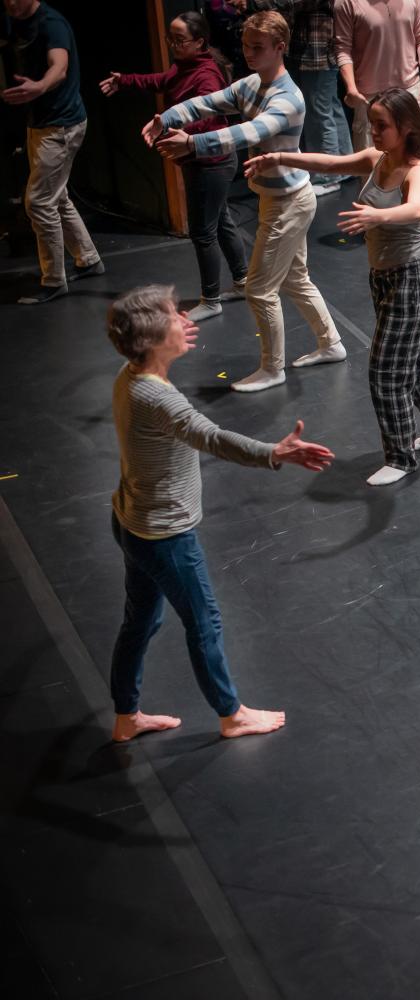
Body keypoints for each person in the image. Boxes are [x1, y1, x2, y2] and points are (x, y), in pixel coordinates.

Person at [105, 285, 335, 742]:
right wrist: (274, 453)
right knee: (204, 620)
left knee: (142, 619)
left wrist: (169, 331)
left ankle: (126, 717)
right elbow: (210, 437)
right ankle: (232, 714)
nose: (184, 318)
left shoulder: (130, 374)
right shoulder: (159, 398)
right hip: (164, 536)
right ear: (151, 341)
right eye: (174, 316)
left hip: (131, 520)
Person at [249, 89, 420, 487]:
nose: (375, 131)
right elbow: (330, 163)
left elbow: (416, 209)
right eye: (373, 123)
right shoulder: (375, 160)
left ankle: (400, 458)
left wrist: (377, 215)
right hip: (383, 277)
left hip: (412, 280)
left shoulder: (418, 170)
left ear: (407, 128)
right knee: (414, 360)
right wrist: (279, 158)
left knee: (385, 371)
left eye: (382, 125)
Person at [148, 10, 346, 394]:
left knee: (257, 288)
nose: (249, 53)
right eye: (245, 46)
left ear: (280, 47)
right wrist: (167, 118)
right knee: (295, 278)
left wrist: (191, 142)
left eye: (258, 48)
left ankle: (273, 369)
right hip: (278, 199)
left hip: (290, 202)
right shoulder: (252, 84)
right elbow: (209, 103)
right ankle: (332, 344)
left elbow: (246, 132)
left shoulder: (288, 98)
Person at [100, 12, 248, 322]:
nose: (172, 45)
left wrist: (178, 134)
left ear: (199, 42)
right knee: (220, 222)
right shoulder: (186, 67)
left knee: (203, 231)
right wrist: (123, 80)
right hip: (204, 160)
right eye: (171, 39)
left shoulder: (206, 74)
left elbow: (209, 117)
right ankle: (243, 281)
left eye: (179, 40)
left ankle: (211, 299)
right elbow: (161, 80)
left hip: (211, 162)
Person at [1, 0, 102, 305]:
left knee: (39, 202)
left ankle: (54, 281)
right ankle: (88, 259)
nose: (10, 5)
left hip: (62, 126)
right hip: (41, 124)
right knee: (56, 197)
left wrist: (40, 86)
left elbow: (59, 67)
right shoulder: (13, 19)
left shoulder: (51, 23)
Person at [335, 0, 420, 241]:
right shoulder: (347, 3)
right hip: (369, 96)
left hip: (409, 92)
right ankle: (375, 223)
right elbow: (342, 47)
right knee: (372, 165)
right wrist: (351, 87)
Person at [230, 0, 351, 196]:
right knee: (328, 107)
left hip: (317, 50)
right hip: (311, 48)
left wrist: (253, 3)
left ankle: (328, 178)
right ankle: (344, 165)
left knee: (318, 113)